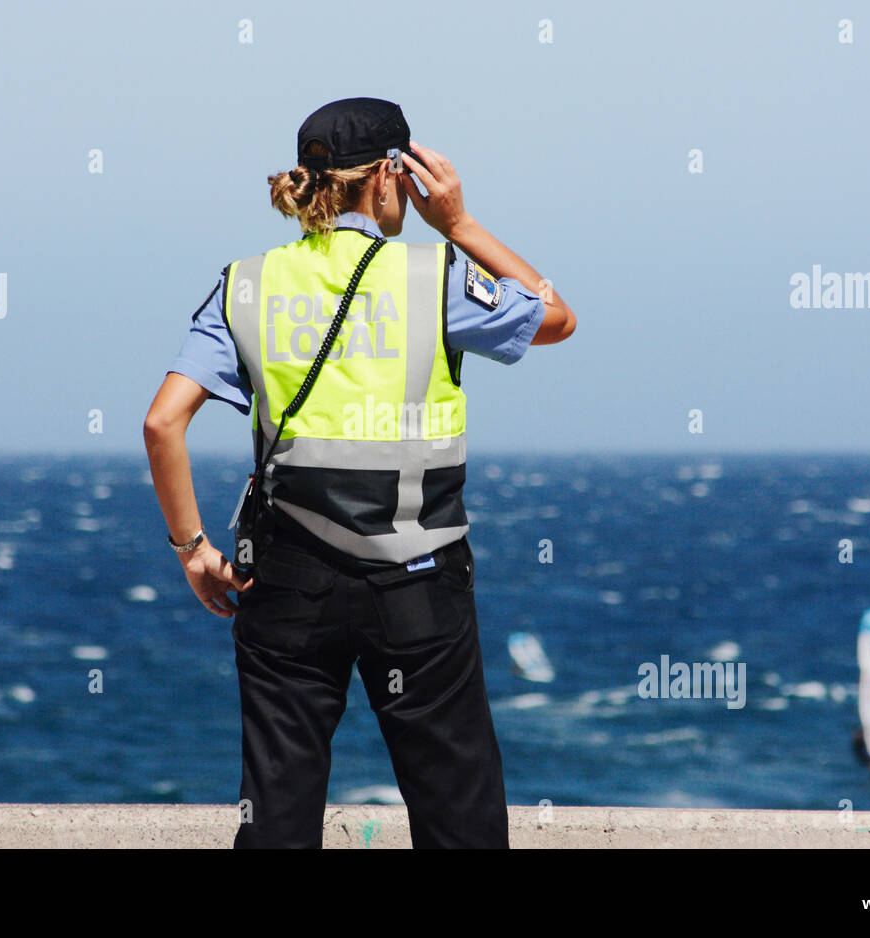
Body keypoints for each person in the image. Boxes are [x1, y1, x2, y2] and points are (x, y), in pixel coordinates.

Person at [144, 97, 576, 848]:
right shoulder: (432, 274)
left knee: (276, 811)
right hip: (417, 581)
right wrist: (460, 224)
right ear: (387, 178)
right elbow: (556, 317)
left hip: (286, 587)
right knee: (458, 809)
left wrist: (192, 551)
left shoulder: (245, 284)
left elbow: (162, 423)